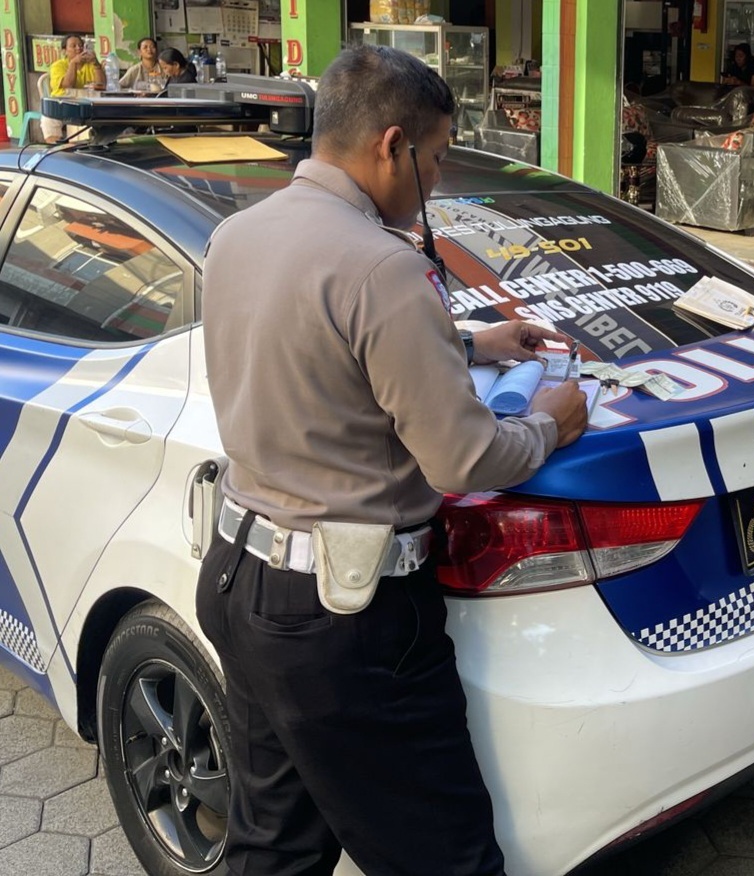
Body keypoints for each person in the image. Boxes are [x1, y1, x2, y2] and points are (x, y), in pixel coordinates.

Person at [196, 44, 588, 875]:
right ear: (392, 143)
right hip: (347, 621)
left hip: (240, 579)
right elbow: (467, 457)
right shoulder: (383, 265)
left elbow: (311, 341)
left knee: (275, 843)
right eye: (438, 157)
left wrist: (469, 339)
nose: (435, 181)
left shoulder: (237, 234)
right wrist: (552, 422)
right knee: (441, 856)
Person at [41, 35, 105, 142]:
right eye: (73, 46)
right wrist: (73, 63)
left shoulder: (90, 64)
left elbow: (102, 85)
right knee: (49, 118)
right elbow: (68, 84)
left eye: (80, 45)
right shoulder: (58, 66)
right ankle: (55, 145)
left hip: (86, 103)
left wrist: (96, 64)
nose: (78, 48)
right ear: (65, 51)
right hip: (63, 102)